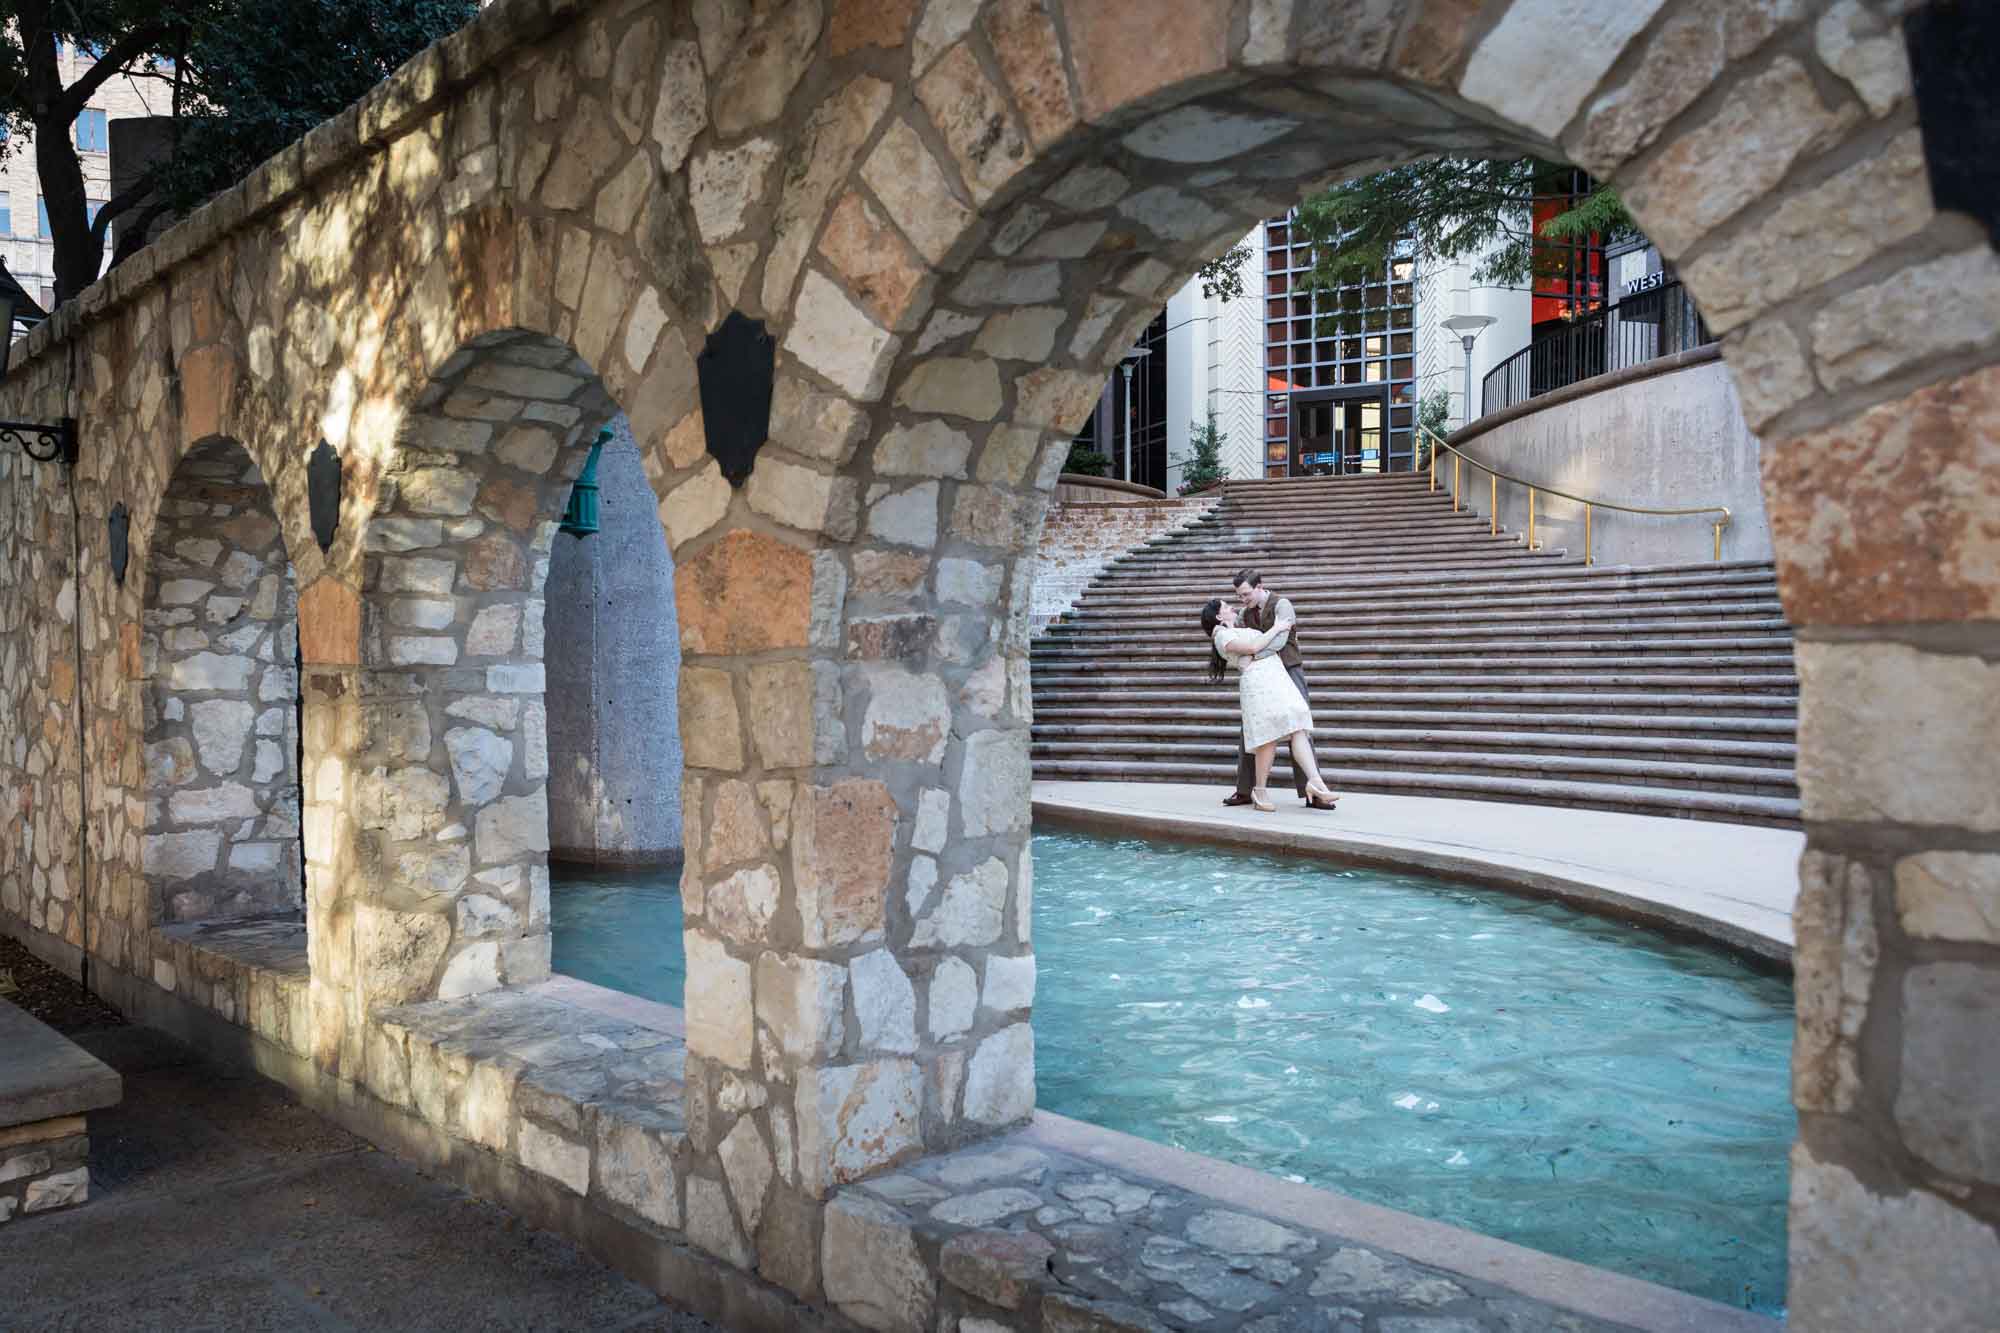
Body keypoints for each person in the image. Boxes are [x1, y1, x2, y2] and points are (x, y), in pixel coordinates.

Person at [1201, 597, 1340, 814]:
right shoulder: (1222, 636)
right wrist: (1276, 627)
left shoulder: (1237, 628)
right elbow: (1253, 646)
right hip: (1258, 684)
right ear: (1219, 616)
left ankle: (1315, 781)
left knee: (1297, 726)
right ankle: (1260, 790)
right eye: (1227, 607)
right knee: (1268, 737)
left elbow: (1256, 645)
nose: (1233, 607)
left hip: (1274, 677)